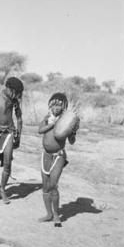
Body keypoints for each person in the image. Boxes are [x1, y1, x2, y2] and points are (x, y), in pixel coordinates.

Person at [38, 92, 78, 227]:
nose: (56, 107)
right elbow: (40, 130)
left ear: (63, 107)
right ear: (50, 105)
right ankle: (48, 214)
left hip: (58, 155)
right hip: (45, 155)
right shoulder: (47, 118)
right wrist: (51, 124)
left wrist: (73, 132)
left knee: (53, 185)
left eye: (59, 105)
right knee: (45, 186)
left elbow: (71, 141)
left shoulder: (66, 120)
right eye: (54, 104)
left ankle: (56, 215)